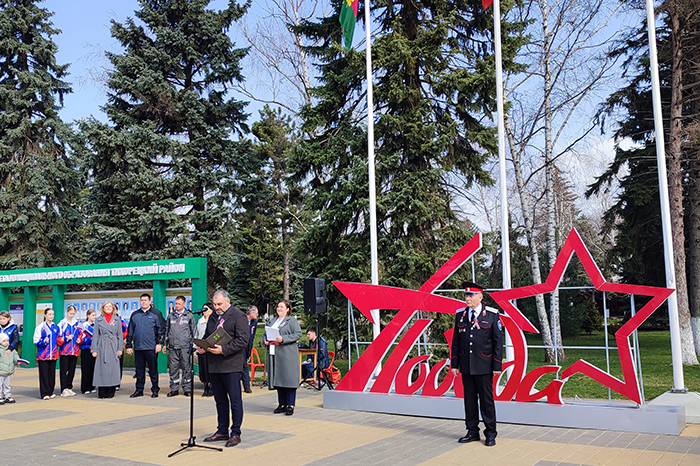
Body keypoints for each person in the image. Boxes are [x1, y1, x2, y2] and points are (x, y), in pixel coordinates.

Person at [450, 281, 503, 447]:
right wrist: (454, 364)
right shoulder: (461, 315)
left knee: (486, 401)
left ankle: (490, 433)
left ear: (480, 297)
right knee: (469, 400)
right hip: (466, 364)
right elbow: (456, 341)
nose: (467, 298)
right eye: (466, 295)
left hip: (484, 364)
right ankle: (472, 431)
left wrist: (496, 365)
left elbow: (498, 342)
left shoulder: (492, 314)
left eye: (471, 295)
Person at [197, 290, 249, 448]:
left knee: (235, 400)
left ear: (228, 301)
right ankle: (222, 430)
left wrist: (223, 350)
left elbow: (243, 340)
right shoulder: (213, 316)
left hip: (231, 364)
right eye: (214, 304)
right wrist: (202, 346)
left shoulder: (238, 316)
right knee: (220, 400)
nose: (216, 307)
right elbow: (208, 335)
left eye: (219, 304)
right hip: (214, 365)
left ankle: (236, 433)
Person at [263, 300, 302, 416]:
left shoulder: (292, 321)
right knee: (278, 379)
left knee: (288, 379)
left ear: (287, 309)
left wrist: (283, 339)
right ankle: (282, 404)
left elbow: (298, 334)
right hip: (275, 354)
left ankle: (290, 405)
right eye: (278, 307)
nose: (279, 309)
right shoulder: (273, 321)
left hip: (287, 354)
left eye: (282, 307)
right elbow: (266, 333)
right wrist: (265, 340)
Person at [125, 294, 166, 398]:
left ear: (149, 301)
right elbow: (130, 331)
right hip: (138, 347)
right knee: (139, 370)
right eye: (142, 300)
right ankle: (139, 390)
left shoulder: (156, 314)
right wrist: (128, 345)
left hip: (151, 347)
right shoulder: (135, 315)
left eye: (145, 300)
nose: (143, 302)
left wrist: (159, 343)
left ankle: (155, 389)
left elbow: (161, 329)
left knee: (153, 370)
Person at [163, 295, 196, 397]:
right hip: (173, 347)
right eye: (176, 303)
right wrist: (165, 344)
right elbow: (167, 330)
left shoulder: (189, 316)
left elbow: (193, 331)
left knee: (186, 368)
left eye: (179, 304)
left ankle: (187, 389)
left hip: (185, 347)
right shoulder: (171, 316)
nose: (177, 305)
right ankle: (174, 389)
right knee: (173, 369)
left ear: (184, 304)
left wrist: (193, 345)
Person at [92, 301, 124, 399]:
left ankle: (111, 391)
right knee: (102, 368)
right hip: (102, 346)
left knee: (113, 369)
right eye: (106, 306)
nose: (108, 308)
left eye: (110, 306)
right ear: (103, 308)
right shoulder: (98, 320)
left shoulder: (117, 320)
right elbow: (95, 336)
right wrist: (94, 349)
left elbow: (120, 335)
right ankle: (102, 391)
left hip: (113, 345)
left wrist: (120, 348)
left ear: (113, 308)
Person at [33, 308, 60, 399]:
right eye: (49, 314)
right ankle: (44, 393)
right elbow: (35, 340)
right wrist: (43, 341)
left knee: (51, 374)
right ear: (45, 315)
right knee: (44, 374)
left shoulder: (56, 327)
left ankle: (50, 391)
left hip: (53, 354)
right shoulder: (40, 327)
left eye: (52, 314)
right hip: (43, 355)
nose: (51, 316)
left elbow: (58, 338)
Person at [57, 305, 81, 397]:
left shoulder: (77, 323)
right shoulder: (62, 324)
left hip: (74, 350)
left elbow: (81, 334)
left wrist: (79, 339)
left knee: (72, 370)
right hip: (65, 351)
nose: (72, 315)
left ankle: (69, 387)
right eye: (70, 313)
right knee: (64, 370)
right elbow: (58, 337)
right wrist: (66, 338)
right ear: (66, 312)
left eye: (73, 314)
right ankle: (64, 389)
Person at [195, 302, 214, 397]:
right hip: (201, 349)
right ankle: (205, 386)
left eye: (206, 309)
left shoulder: (214, 321)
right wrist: (196, 347)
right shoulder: (200, 321)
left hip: (211, 349)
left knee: (210, 369)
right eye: (203, 309)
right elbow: (197, 335)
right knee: (203, 369)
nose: (204, 311)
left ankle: (212, 387)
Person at [241, 305, 258, 393]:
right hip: (240, 346)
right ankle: (246, 386)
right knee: (244, 365)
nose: (257, 315)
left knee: (244, 364)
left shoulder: (254, 322)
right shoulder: (241, 320)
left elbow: (253, 334)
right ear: (250, 313)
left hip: (248, 345)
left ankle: (245, 384)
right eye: (256, 313)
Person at [79, 309, 97, 394]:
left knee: (93, 368)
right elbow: (81, 338)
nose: (94, 317)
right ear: (88, 316)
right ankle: (85, 387)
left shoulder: (95, 325)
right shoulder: (83, 326)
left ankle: (92, 386)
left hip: (94, 350)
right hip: (86, 349)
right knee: (86, 369)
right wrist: (91, 340)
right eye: (93, 315)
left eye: (95, 315)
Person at [0, 332, 20, 404]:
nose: (6, 342)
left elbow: (15, 356)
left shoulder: (11, 349)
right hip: (1, 371)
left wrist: (17, 360)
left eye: (7, 340)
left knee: (7, 385)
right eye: (4, 341)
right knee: (0, 385)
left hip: (9, 370)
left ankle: (7, 396)